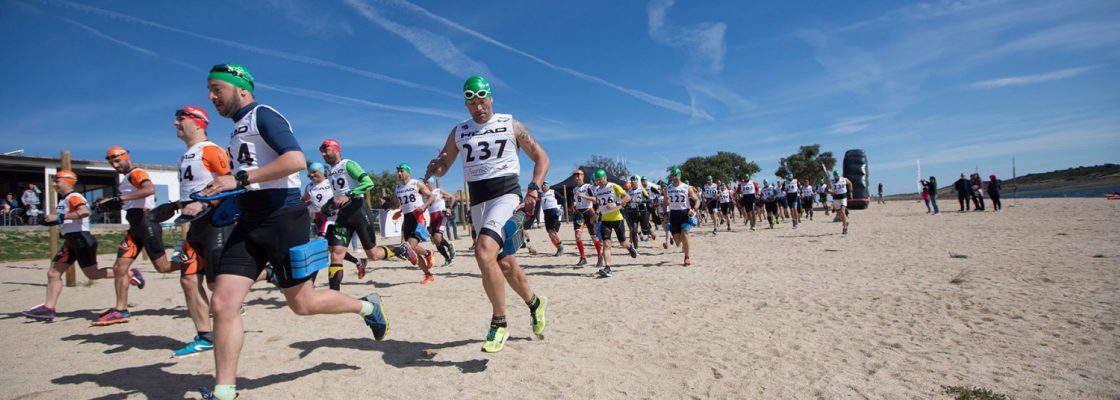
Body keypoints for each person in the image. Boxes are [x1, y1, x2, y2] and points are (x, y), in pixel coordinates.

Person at [198, 63, 387, 400]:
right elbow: (249, 178)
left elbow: (296, 161)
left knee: (303, 304)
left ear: (241, 88)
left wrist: (239, 179)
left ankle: (368, 307)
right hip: (248, 221)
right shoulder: (236, 129)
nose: (212, 96)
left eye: (217, 89)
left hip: (283, 219)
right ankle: (224, 391)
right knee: (223, 303)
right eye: (209, 90)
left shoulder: (263, 114)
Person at [424, 75, 548, 353]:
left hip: (506, 195)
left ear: (490, 98)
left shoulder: (510, 124)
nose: (478, 107)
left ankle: (499, 323)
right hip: (477, 203)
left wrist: (533, 189)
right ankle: (535, 303)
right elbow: (444, 166)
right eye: (472, 102)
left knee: (482, 252)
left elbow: (542, 158)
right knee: (504, 265)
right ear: (466, 104)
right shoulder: (459, 131)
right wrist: (436, 168)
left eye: (482, 100)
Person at [166, 105, 234, 358]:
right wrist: (175, 206)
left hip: (219, 222)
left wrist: (206, 203)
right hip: (195, 226)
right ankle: (205, 336)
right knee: (188, 280)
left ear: (198, 123)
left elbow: (229, 184)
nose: (175, 124)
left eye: (180, 119)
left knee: (217, 284)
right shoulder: (184, 157)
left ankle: (226, 334)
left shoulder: (211, 150)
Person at [92, 146, 175, 326]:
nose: (115, 165)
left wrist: (120, 199)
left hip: (147, 224)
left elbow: (149, 189)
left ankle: (198, 262)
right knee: (119, 267)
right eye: (111, 162)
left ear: (126, 157)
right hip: (135, 227)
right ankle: (120, 310)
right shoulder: (125, 180)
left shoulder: (136, 173)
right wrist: (111, 203)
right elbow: (131, 201)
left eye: (117, 160)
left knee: (164, 267)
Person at [321, 140, 418, 290]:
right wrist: (328, 203)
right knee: (335, 253)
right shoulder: (329, 171)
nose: (323, 154)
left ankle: (403, 249)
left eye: (325, 150)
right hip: (343, 215)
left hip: (358, 210)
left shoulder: (348, 164)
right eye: (321, 151)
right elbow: (338, 194)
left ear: (335, 149)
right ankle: (334, 295)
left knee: (373, 255)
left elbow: (368, 183)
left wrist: (350, 195)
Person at [21, 171, 118, 321]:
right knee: (53, 273)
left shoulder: (74, 197)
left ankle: (129, 274)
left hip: (81, 239)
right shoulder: (64, 200)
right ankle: (48, 308)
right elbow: (67, 218)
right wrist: (52, 221)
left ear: (68, 181)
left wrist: (59, 217)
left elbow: (84, 212)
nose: (54, 184)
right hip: (70, 240)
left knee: (92, 274)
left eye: (57, 181)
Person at [391, 163, 437, 284]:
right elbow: (396, 204)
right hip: (407, 219)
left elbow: (431, 196)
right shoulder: (397, 188)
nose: (399, 173)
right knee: (414, 249)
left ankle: (428, 254)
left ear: (408, 172)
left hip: (418, 217)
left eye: (401, 171)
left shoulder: (417, 183)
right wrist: (390, 206)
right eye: (398, 171)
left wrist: (424, 206)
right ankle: (428, 273)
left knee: (409, 247)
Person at [594, 170, 639, 277]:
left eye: (601, 179)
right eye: (597, 180)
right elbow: (601, 203)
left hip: (617, 219)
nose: (599, 182)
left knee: (623, 243)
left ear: (605, 178)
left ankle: (630, 247)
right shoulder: (596, 190)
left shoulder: (613, 186)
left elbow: (627, 197)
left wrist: (617, 203)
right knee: (606, 244)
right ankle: (608, 268)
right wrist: (596, 213)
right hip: (605, 221)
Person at [664, 167, 699, 266]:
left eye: (676, 175)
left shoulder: (686, 187)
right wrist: (666, 215)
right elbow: (665, 202)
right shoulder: (668, 188)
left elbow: (697, 201)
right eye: (673, 175)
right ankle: (680, 242)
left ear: (680, 175)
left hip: (684, 213)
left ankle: (687, 258)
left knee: (685, 233)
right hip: (674, 215)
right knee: (678, 242)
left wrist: (694, 210)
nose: (674, 177)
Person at [570, 168, 601, 267]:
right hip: (579, 213)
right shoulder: (574, 189)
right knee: (578, 235)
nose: (577, 177)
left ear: (583, 176)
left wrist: (583, 196)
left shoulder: (588, 187)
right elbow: (576, 200)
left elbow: (595, 200)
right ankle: (583, 258)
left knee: (594, 236)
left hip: (588, 212)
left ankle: (600, 256)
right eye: (576, 175)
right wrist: (573, 206)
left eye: (579, 175)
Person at [425, 178, 458, 266]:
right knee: (436, 241)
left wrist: (449, 208)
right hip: (432, 218)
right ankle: (448, 258)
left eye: (426, 183)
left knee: (437, 237)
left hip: (440, 216)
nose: (424, 185)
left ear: (430, 183)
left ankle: (449, 246)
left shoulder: (438, 191)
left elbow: (453, 197)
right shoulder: (424, 194)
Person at [539, 181, 564, 257]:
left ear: (548, 185)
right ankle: (558, 247)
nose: (543, 187)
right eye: (542, 185)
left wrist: (561, 209)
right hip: (546, 214)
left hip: (554, 213)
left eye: (545, 185)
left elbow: (563, 199)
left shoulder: (553, 192)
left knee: (553, 232)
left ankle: (560, 246)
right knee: (550, 234)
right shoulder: (540, 194)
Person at [624, 175, 649, 248]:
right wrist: (626, 205)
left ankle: (649, 232)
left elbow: (649, 200)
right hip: (633, 211)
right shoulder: (629, 191)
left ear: (637, 181)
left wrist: (641, 201)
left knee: (644, 229)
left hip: (642, 211)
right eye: (631, 180)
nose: (632, 181)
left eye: (634, 180)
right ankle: (635, 248)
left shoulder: (641, 189)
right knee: (634, 230)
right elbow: (627, 201)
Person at [827, 170, 854, 235]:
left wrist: (850, 192)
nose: (837, 177)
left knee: (842, 211)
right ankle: (845, 223)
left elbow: (850, 183)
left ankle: (844, 228)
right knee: (839, 214)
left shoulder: (844, 179)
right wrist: (831, 192)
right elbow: (826, 190)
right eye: (836, 176)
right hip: (836, 199)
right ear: (834, 176)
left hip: (843, 198)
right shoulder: (831, 182)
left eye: (838, 176)